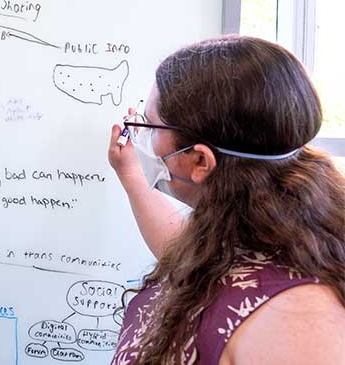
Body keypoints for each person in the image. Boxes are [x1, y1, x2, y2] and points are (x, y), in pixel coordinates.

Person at [107, 36, 345, 364]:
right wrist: (132, 178)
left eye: (150, 126)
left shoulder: (297, 319)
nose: (142, 135)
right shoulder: (263, 228)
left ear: (201, 162)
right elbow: (192, 258)